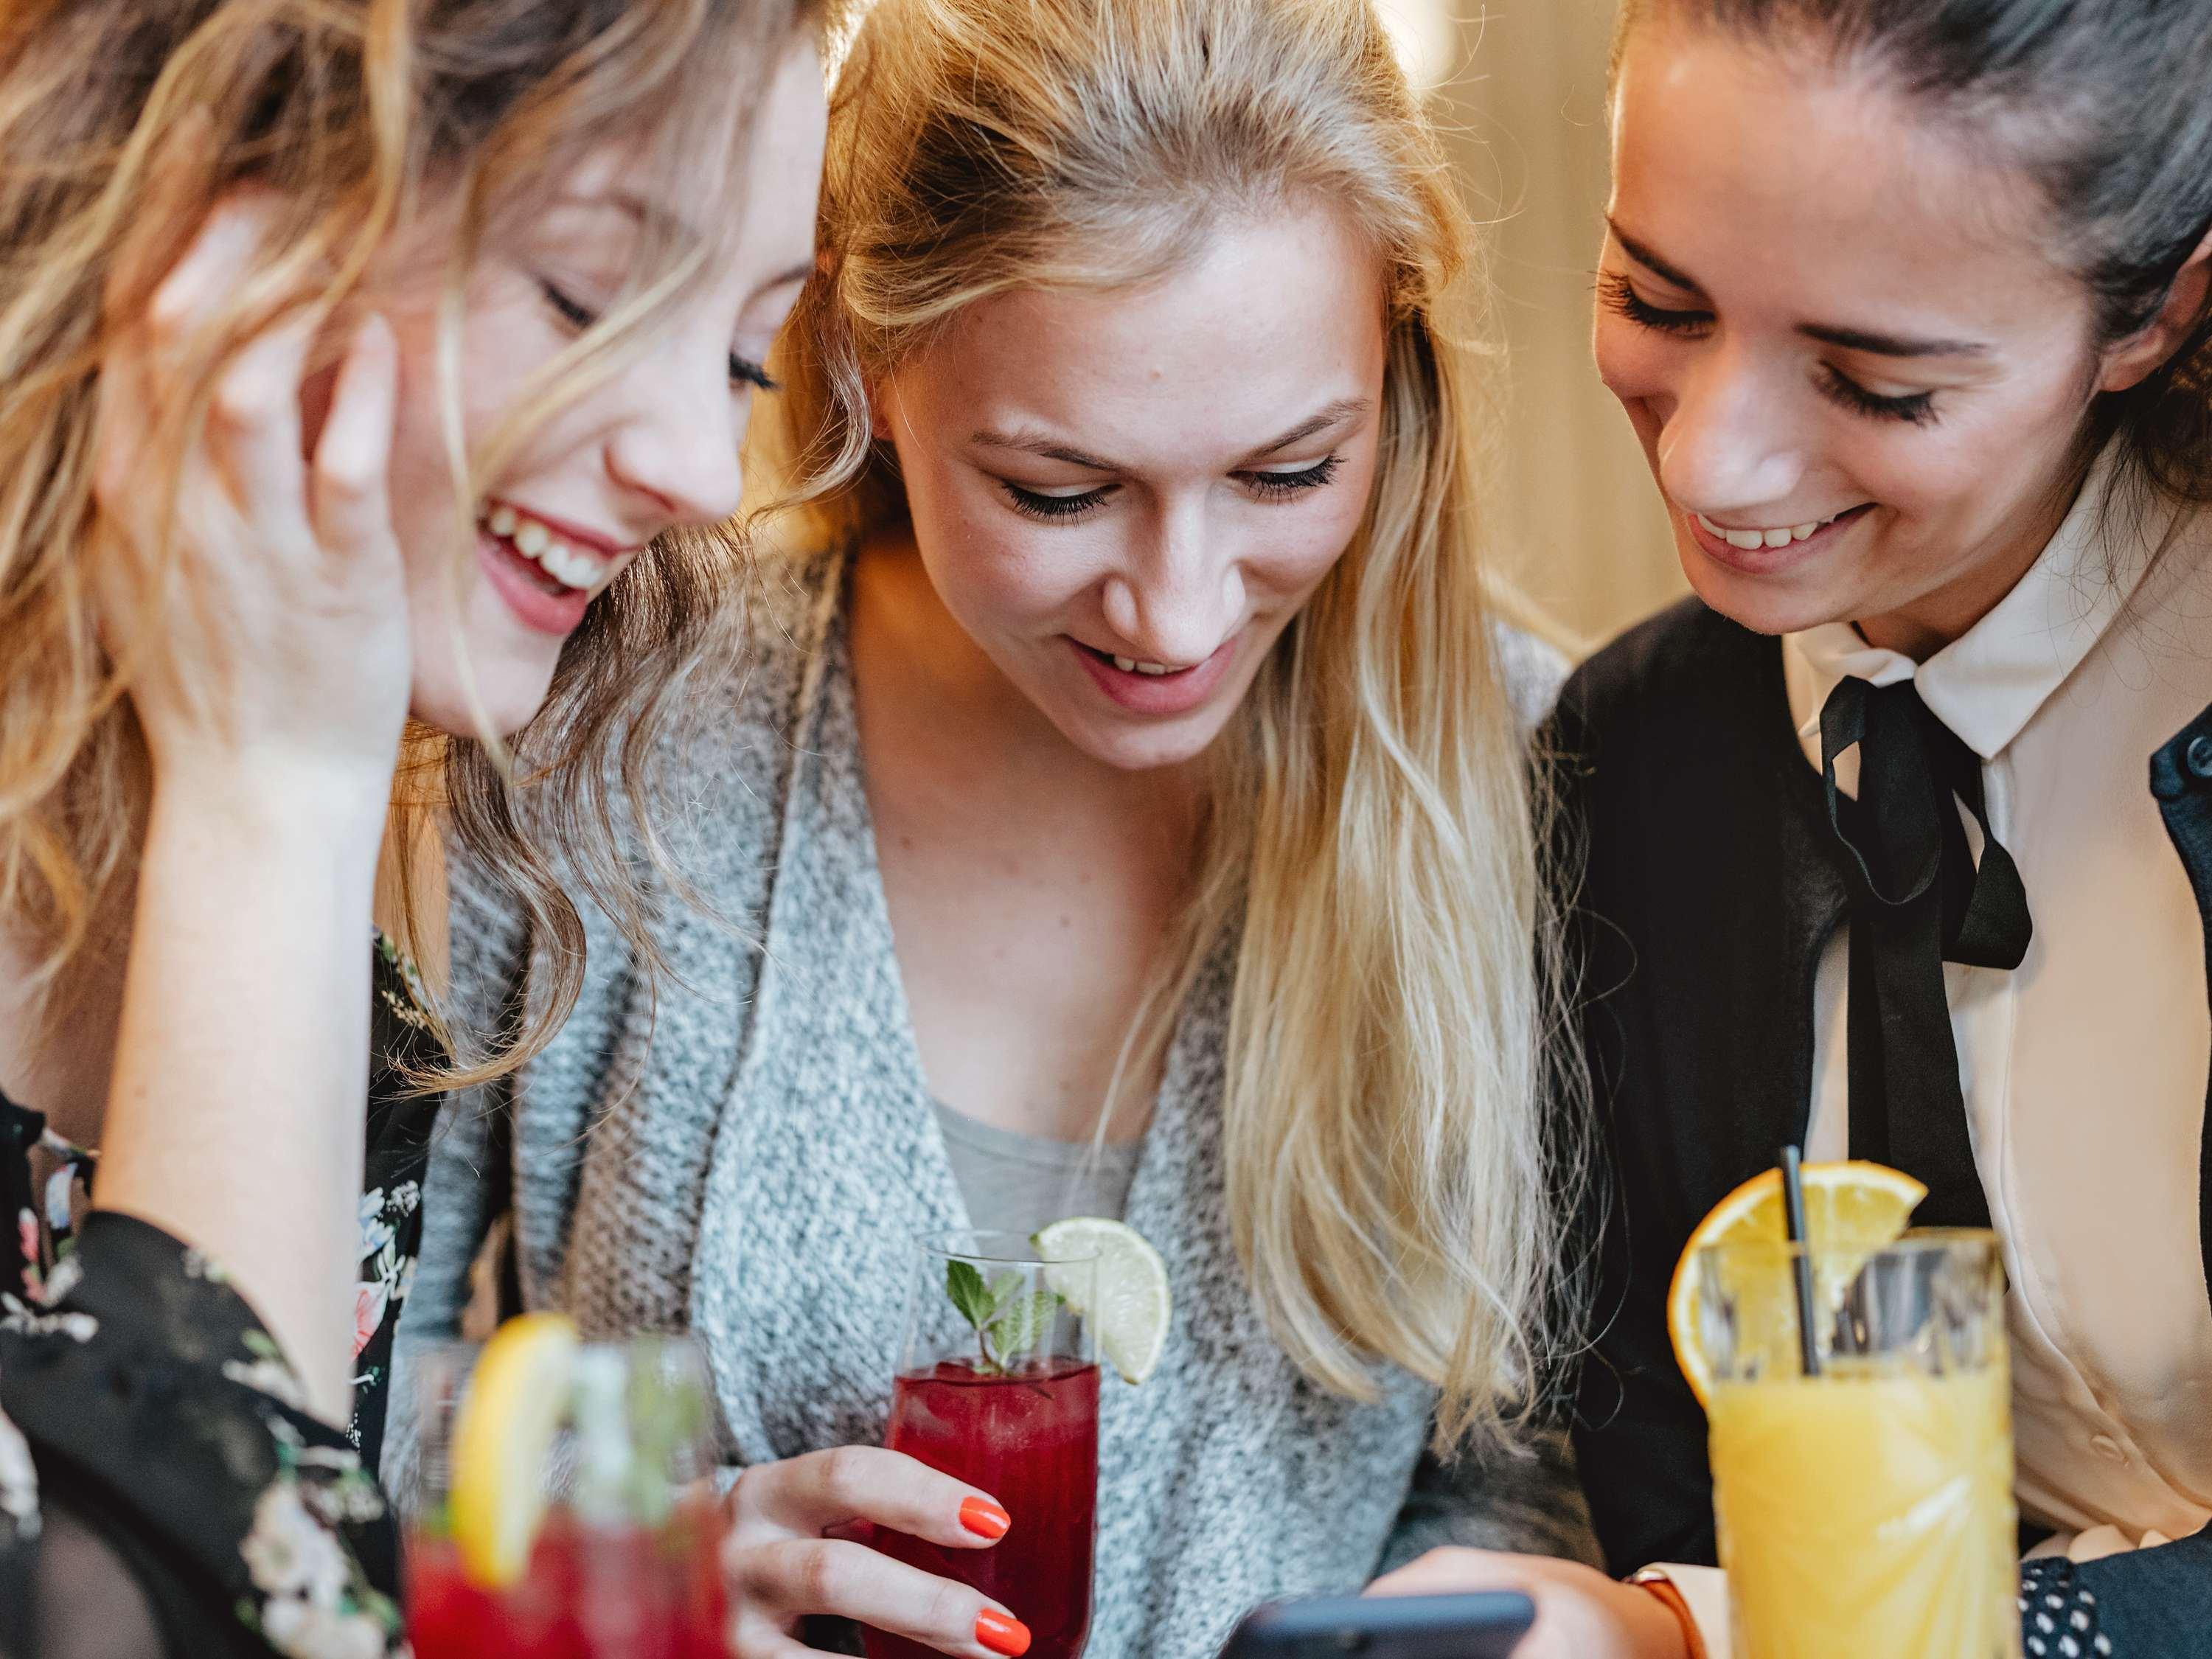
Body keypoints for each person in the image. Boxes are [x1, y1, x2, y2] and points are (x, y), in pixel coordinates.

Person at [406, 0, 1600, 1655]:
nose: (1177, 615)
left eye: (1286, 474)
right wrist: (632, 1559)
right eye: (1058, 490)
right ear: (860, 366)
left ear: (1391, 375)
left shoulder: (1539, 770)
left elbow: (1532, 1480)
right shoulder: (599, 716)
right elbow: (284, 1373)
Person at [1377, 0, 2212, 1654]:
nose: (1712, 461)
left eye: (1875, 380)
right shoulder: (1628, 762)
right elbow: (1670, 1485)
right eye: (1654, 300)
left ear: (2160, 312)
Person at [0, 0, 824, 1651]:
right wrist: (272, 800)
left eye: (744, 358)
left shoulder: (359, 903)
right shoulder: (288, 801)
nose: (704, 468)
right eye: (589, 292)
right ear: (212, 199)